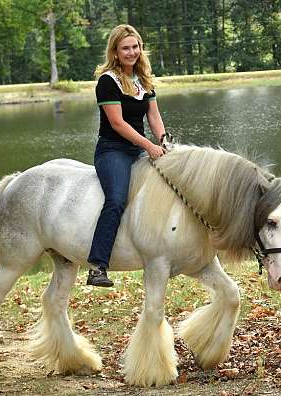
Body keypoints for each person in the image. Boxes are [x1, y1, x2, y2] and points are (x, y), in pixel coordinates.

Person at [86, 24, 166, 287]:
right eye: (125, 48)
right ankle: (98, 266)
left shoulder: (143, 79)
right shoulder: (108, 81)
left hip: (138, 148)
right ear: (115, 52)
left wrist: (164, 142)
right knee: (117, 199)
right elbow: (118, 124)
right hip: (113, 150)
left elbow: (153, 116)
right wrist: (149, 146)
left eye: (135, 47)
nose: (132, 52)